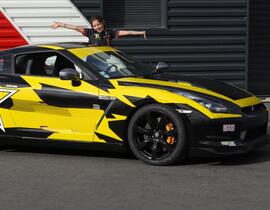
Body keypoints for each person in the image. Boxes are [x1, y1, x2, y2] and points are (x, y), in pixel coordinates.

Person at [51, 16, 147, 46]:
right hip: (92, 59)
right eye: (95, 26)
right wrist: (61, 24)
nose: (97, 27)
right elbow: (75, 27)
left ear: (103, 23)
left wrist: (141, 32)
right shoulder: (90, 32)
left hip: (105, 57)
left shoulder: (109, 32)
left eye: (98, 25)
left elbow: (127, 32)